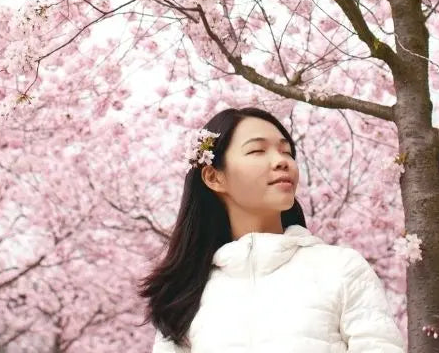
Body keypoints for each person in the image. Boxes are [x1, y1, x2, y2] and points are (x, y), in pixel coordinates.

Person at [139, 107, 405, 352]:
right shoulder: (186, 295)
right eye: (257, 151)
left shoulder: (341, 268)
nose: (281, 161)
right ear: (214, 176)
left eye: (287, 152)